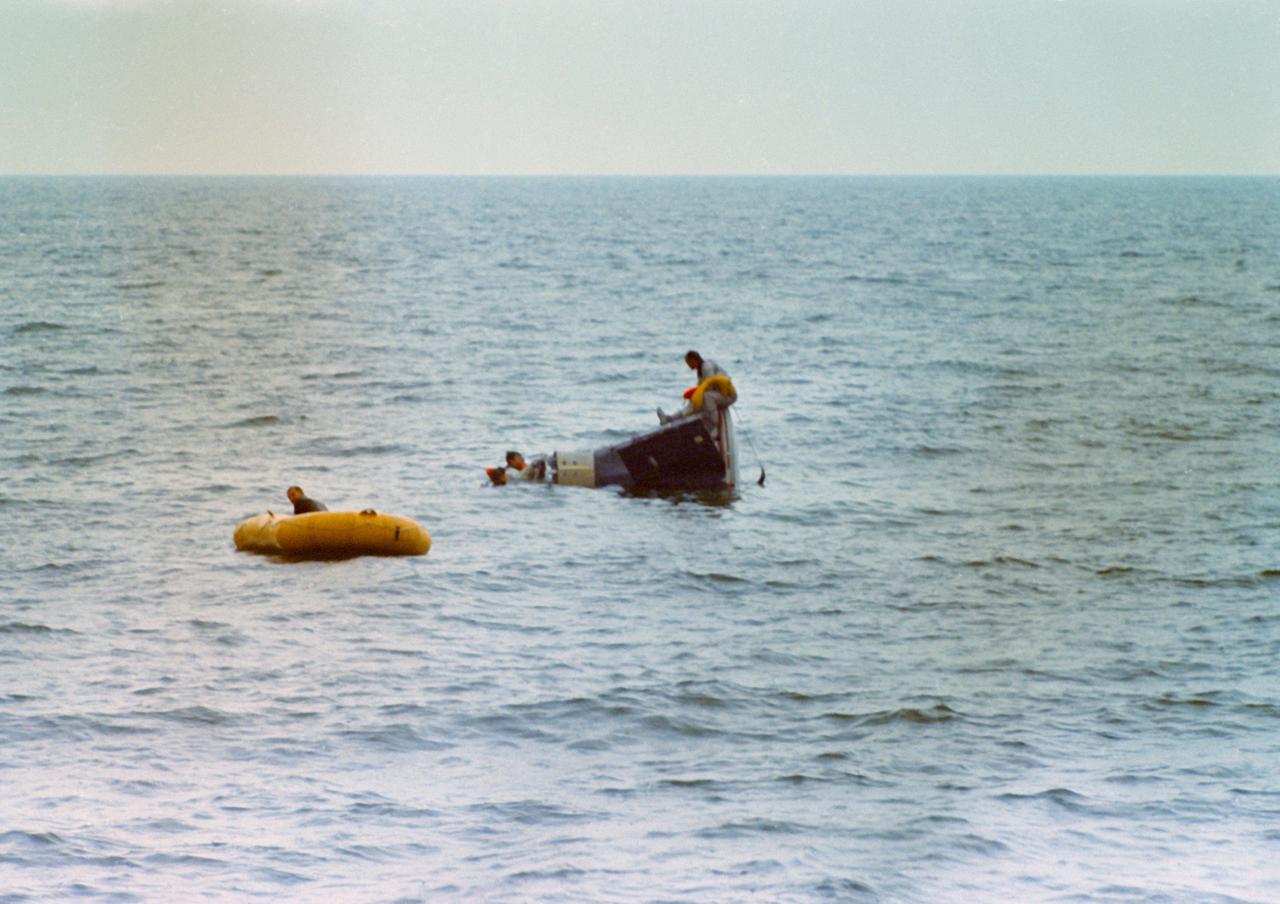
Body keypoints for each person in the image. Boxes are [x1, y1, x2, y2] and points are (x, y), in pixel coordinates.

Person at [657, 350, 737, 441]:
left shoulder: (707, 368)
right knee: (695, 401)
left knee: (707, 397)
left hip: (728, 396)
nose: (688, 365)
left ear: (694, 360)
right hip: (717, 395)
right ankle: (670, 419)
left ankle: (715, 427)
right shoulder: (700, 370)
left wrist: (698, 398)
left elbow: (711, 386)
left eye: (688, 362)